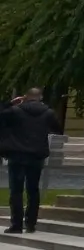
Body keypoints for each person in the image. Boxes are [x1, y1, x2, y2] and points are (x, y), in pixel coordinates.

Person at [0, 88, 62, 234]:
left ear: (25, 97)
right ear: (41, 98)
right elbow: (58, 129)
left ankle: (16, 224)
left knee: (16, 190)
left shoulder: (15, 111)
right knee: (33, 190)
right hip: (36, 156)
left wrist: (10, 104)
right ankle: (31, 224)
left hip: (17, 154)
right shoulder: (48, 113)